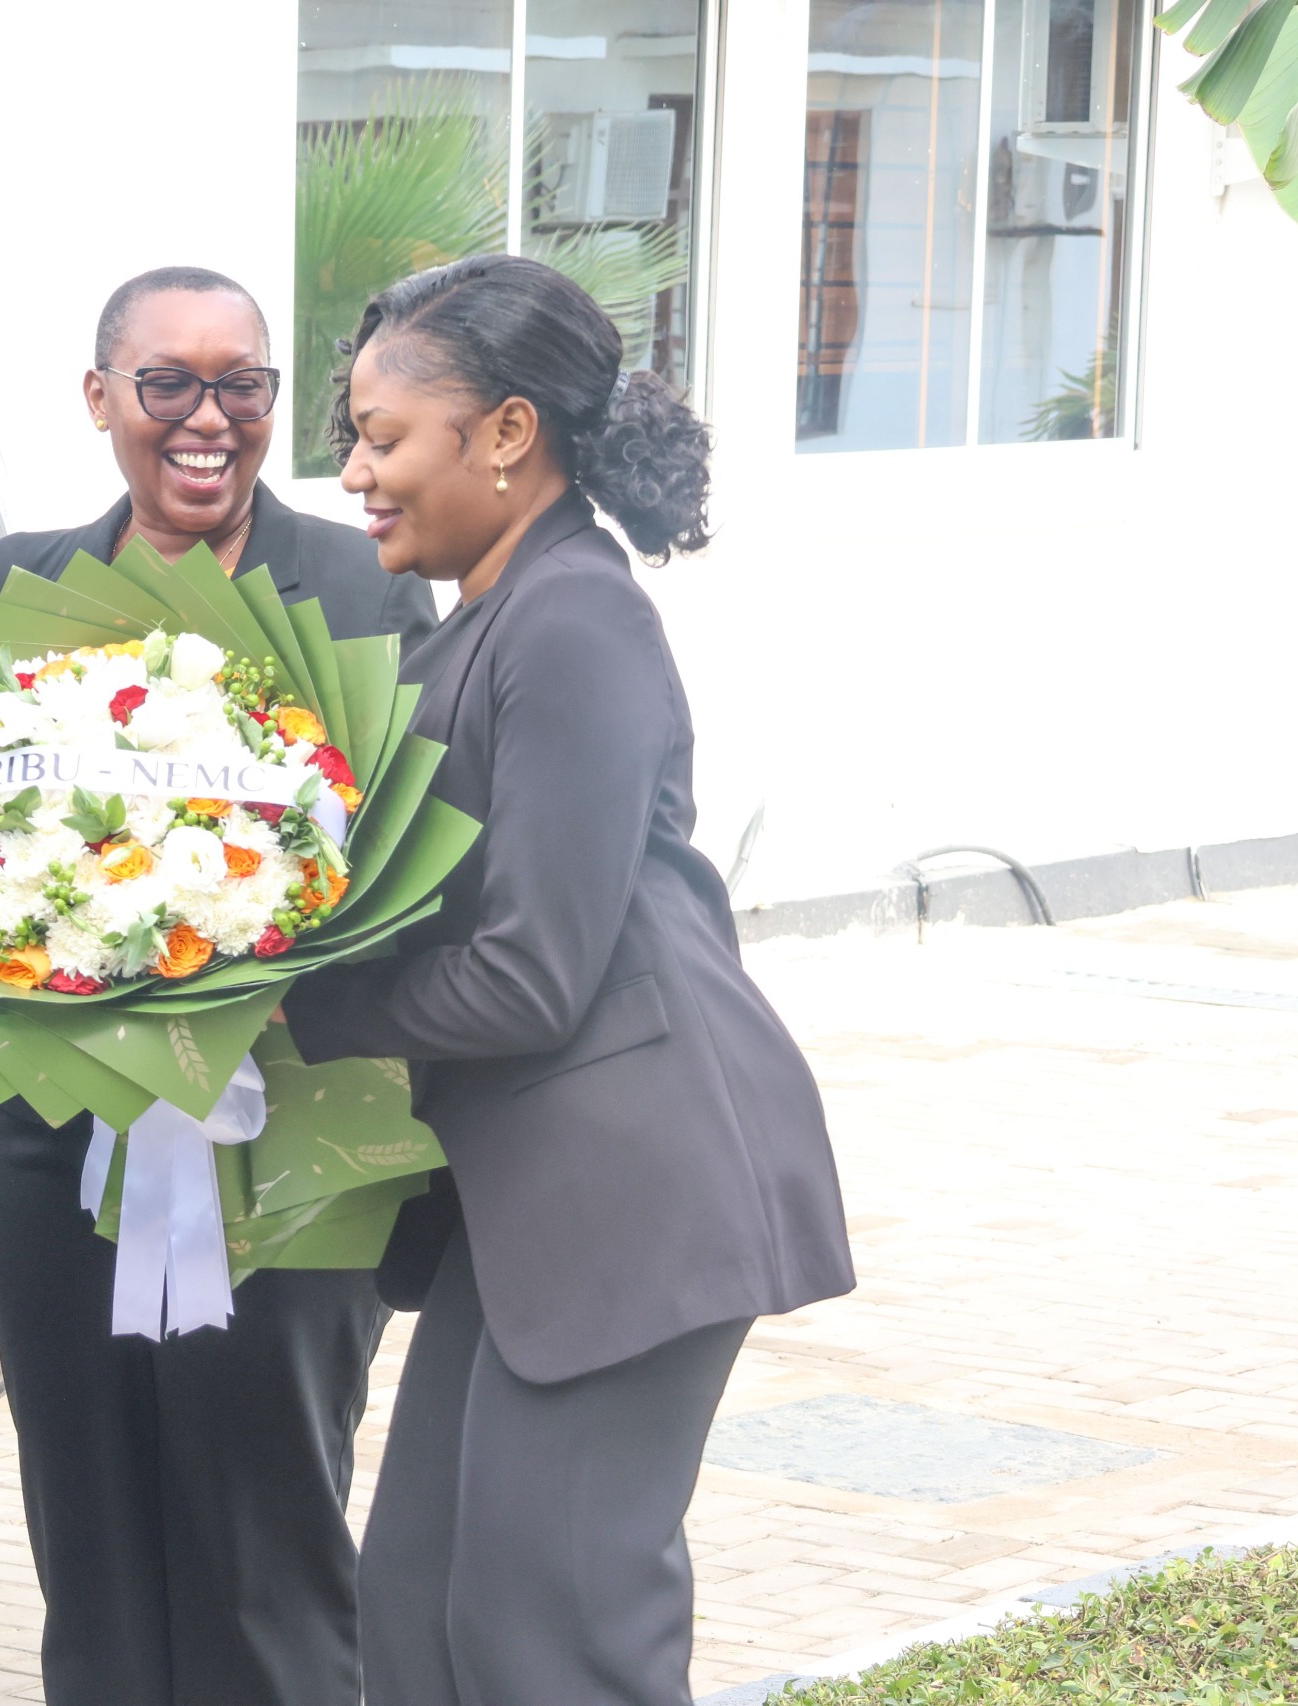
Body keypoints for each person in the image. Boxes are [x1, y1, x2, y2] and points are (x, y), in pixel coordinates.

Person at [281, 255, 856, 1705]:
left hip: (637, 1185)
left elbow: (533, 977)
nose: (356, 472)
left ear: (507, 434)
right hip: (529, 1198)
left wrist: (296, 1006)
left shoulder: (575, 618)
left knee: (555, 1634)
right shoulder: (491, 613)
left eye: (383, 437)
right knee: (419, 1606)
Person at [0, 265, 437, 1706]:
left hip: (289, 1130)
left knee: (265, 1533)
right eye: (168, 383)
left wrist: (269, 941)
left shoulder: (361, 580)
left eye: (243, 385)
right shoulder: (10, 584)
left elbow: (424, 844)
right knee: (92, 1532)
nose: (207, 417)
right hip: (54, 1141)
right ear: (100, 395)